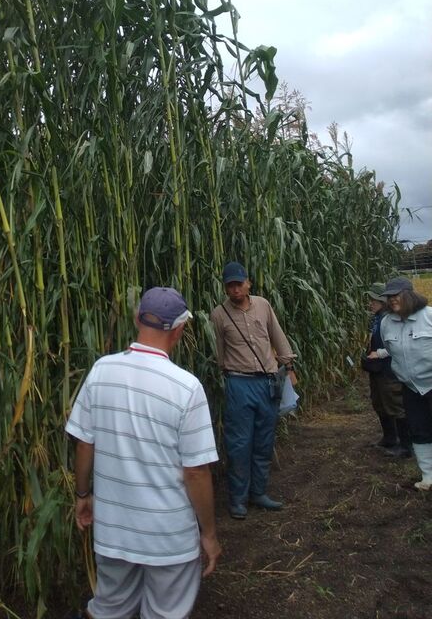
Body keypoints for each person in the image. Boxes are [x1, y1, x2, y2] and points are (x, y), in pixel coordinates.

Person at [66, 287, 221, 619]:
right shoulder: (186, 387)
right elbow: (196, 472)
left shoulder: (101, 371)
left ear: (137, 319)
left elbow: (84, 442)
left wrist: (82, 494)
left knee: (108, 609)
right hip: (168, 538)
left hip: (113, 530)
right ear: (179, 330)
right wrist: (208, 534)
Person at [210, 261, 297, 519]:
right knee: (239, 443)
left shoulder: (263, 305)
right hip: (238, 383)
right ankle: (238, 499)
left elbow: (277, 336)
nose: (235, 289)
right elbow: (219, 353)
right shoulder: (219, 315)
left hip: (268, 382)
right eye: (230, 286)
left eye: (239, 284)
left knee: (264, 439)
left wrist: (289, 366)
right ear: (225, 288)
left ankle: (258, 493)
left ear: (248, 283)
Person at [380, 276, 432, 490]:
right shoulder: (386, 323)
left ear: (410, 294)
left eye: (397, 294)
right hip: (411, 387)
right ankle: (428, 477)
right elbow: (390, 351)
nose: (392, 299)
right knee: (419, 431)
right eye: (389, 296)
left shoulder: (429, 316)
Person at [360, 283, 411, 457]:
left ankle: (405, 446)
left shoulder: (391, 319)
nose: (370, 303)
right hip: (378, 371)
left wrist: (379, 354)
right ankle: (389, 438)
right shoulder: (377, 318)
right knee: (379, 403)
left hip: (389, 371)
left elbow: (400, 343)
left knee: (395, 405)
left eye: (374, 300)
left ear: (383, 301)